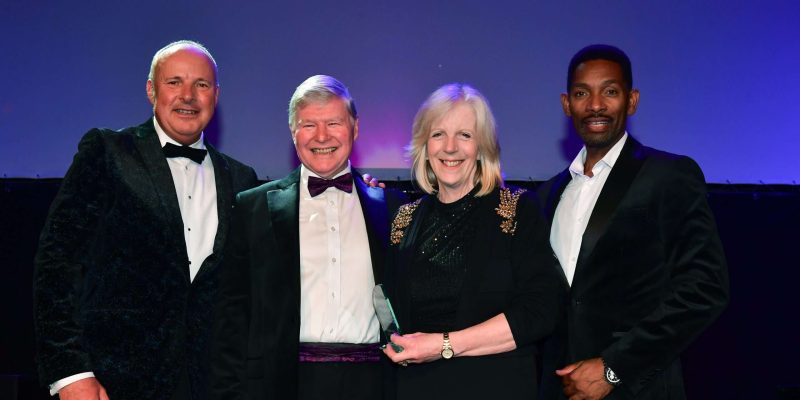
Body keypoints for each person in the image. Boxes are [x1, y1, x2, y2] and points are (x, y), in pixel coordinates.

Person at [33, 40, 258, 400]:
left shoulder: (242, 178)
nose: (188, 96)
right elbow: (56, 266)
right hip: (112, 384)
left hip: (212, 385)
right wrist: (70, 373)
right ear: (151, 89)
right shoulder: (107, 152)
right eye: (174, 82)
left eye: (201, 85)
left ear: (216, 95)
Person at [537, 44, 730, 400]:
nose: (595, 105)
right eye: (582, 93)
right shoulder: (549, 194)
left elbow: (705, 287)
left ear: (632, 100)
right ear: (567, 104)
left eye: (609, 91)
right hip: (559, 389)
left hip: (638, 388)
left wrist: (614, 368)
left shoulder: (668, 176)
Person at [210, 75, 406, 400]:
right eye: (308, 125)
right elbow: (231, 318)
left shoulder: (392, 207)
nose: (322, 136)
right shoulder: (253, 207)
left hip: (374, 384)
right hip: (283, 384)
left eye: (333, 122)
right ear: (293, 132)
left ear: (355, 128)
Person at [381, 83, 560, 399]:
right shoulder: (403, 218)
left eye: (464, 135)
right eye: (438, 134)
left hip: (496, 388)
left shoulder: (517, 209)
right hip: (417, 390)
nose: (450, 147)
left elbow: (542, 310)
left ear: (482, 147)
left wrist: (444, 345)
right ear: (424, 145)